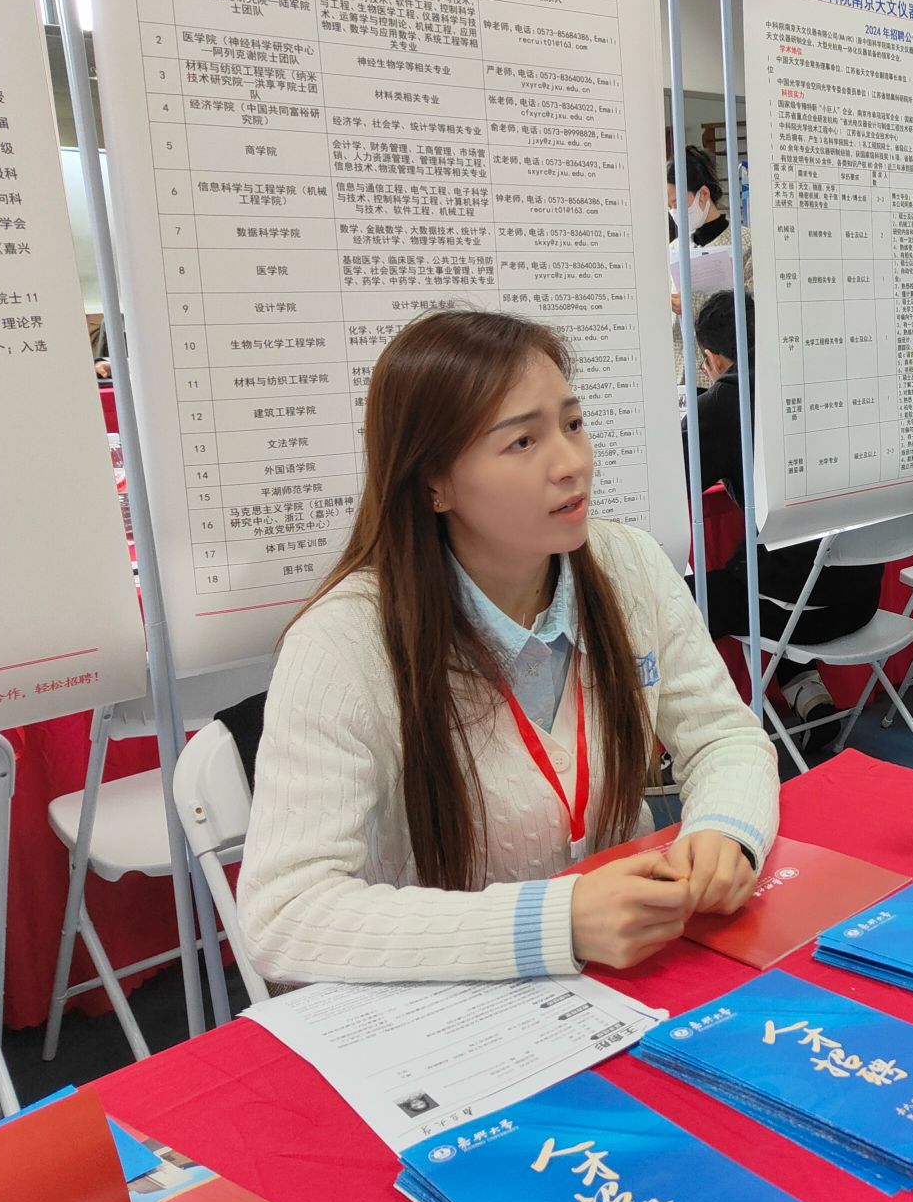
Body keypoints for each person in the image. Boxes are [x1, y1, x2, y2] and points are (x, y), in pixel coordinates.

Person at [239, 309, 779, 985]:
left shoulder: (628, 565)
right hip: (450, 1002)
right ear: (434, 483)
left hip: (632, 973)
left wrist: (725, 829)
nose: (572, 463)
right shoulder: (345, 642)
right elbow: (284, 914)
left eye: (572, 424)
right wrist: (555, 922)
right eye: (523, 441)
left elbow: (725, 736)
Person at [687, 291, 882, 736]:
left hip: (806, 612)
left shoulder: (728, 403)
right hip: (863, 596)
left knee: (677, 602)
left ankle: (694, 735)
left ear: (712, 359)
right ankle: (809, 697)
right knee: (783, 560)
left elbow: (671, 479)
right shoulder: (827, 376)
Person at [667, 145, 737, 314]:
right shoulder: (675, 249)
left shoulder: (745, 244)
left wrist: (694, 304)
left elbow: (753, 307)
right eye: (669, 206)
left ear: (704, 194)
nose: (673, 211)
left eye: (677, 203)